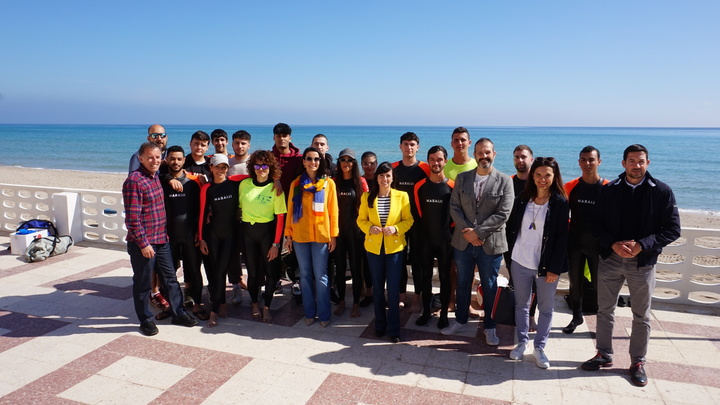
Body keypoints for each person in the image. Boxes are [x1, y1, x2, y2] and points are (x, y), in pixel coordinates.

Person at [582, 144, 681, 387]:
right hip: (611, 260)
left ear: (648, 163)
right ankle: (603, 354)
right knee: (604, 310)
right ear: (623, 163)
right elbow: (595, 224)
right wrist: (613, 244)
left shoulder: (661, 192)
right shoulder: (609, 190)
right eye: (632, 161)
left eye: (641, 161)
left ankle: (637, 362)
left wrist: (642, 245)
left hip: (643, 263)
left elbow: (672, 229)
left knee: (642, 315)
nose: (636, 165)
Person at [123, 142, 198, 336]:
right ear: (140, 159)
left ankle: (178, 313)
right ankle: (145, 320)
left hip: (162, 239)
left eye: (157, 157)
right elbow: (132, 218)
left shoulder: (156, 176)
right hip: (144, 243)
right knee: (143, 283)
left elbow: (173, 171)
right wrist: (143, 243)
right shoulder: (134, 181)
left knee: (171, 279)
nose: (154, 160)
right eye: (150, 157)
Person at [444, 138, 513, 347]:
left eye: (488, 153)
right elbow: (454, 207)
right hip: (463, 242)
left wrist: (478, 233)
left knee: (490, 286)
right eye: (480, 153)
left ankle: (490, 327)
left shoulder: (504, 181)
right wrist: (468, 232)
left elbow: (503, 214)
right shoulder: (463, 179)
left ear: (494, 154)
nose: (484, 156)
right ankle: (461, 320)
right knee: (463, 283)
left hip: (490, 244)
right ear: (474, 155)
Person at [506, 157, 569, 369]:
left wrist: (555, 268)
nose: (543, 179)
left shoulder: (560, 202)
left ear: (554, 177)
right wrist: (508, 257)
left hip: (546, 265)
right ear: (532, 176)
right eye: (538, 175)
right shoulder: (523, 199)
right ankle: (522, 342)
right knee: (521, 305)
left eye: (547, 175)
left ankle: (540, 347)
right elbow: (512, 229)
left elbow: (562, 238)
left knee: (546, 308)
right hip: (520, 260)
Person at [357, 162, 414, 343]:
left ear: (392, 177)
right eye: (381, 176)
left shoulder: (402, 196)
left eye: (388, 175)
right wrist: (370, 228)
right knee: (378, 289)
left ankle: (394, 329)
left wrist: (396, 228)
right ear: (377, 177)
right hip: (374, 248)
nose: (385, 179)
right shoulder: (367, 197)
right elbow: (360, 220)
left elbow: (408, 220)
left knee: (394, 290)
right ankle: (380, 325)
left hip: (395, 249)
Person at [284, 147, 339, 327]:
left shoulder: (328, 184)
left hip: (321, 236)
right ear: (304, 161)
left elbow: (333, 211)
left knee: (321, 275)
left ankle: (323, 315)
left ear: (320, 162)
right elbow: (290, 211)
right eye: (309, 158)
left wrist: (333, 235)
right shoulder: (295, 184)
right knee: (305, 275)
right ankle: (309, 312)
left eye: (316, 159)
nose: (313, 162)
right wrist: (288, 235)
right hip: (300, 235)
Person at [563, 146, 608, 334]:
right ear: (579, 162)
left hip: (599, 246)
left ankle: (602, 322)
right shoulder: (571, 186)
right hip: (576, 243)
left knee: (601, 286)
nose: (587, 163)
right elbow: (562, 215)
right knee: (575, 282)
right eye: (583, 160)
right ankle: (576, 317)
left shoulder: (608, 188)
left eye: (591, 159)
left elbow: (614, 218)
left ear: (599, 162)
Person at [198, 154, 246, 327]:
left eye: (224, 167)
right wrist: (202, 238)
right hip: (213, 236)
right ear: (211, 167)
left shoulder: (234, 183)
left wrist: (276, 180)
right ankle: (221, 304)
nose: (221, 170)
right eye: (217, 167)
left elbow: (256, 176)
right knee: (215, 273)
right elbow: (202, 214)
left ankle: (214, 311)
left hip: (230, 236)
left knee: (220, 272)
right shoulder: (207, 189)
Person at [239, 150, 286, 322]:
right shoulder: (244, 185)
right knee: (252, 272)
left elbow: (280, 218)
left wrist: (276, 244)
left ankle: (266, 306)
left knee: (271, 273)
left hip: (267, 234)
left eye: (264, 165)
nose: (261, 169)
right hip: (248, 233)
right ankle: (253, 303)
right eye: (257, 165)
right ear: (252, 167)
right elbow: (229, 181)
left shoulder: (276, 188)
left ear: (270, 167)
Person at [128, 124, 171, 310]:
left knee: (168, 275)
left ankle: (170, 301)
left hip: (162, 230)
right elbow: (133, 212)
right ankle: (152, 299)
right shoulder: (137, 176)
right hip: (146, 232)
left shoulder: (166, 157)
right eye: (155, 135)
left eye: (162, 135)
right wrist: (143, 242)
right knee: (144, 277)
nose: (159, 138)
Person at [161, 146, 206, 320]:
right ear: (167, 160)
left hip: (189, 235)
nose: (176, 162)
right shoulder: (161, 182)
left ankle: (197, 305)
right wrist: (166, 178)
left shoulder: (193, 184)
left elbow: (200, 210)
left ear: (184, 161)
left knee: (194, 271)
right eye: (172, 158)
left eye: (179, 159)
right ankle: (169, 306)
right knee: (168, 273)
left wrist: (198, 233)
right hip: (167, 236)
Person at [413, 146, 454, 328]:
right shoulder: (419, 186)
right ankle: (427, 312)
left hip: (446, 240)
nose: (436, 163)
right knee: (425, 277)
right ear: (428, 161)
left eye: (439, 159)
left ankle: (444, 314)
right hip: (426, 240)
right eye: (432, 159)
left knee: (445, 277)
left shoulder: (452, 186)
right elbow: (418, 213)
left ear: (445, 161)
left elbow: (455, 216)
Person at [392, 132, 430, 313]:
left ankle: (417, 295)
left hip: (419, 223)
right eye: (406, 144)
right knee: (398, 259)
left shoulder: (425, 168)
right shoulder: (393, 169)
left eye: (412, 144)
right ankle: (401, 294)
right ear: (400, 146)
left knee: (417, 262)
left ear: (418, 147)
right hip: (398, 222)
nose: (409, 147)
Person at [332, 148, 369, 317]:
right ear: (338, 163)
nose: (346, 163)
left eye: (349, 160)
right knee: (340, 269)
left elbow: (367, 208)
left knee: (355, 268)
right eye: (342, 160)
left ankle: (355, 303)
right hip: (338, 232)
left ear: (354, 163)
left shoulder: (360, 182)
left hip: (356, 233)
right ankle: (341, 302)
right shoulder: (333, 182)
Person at [508, 144, 539, 331]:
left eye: (523, 157)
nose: (520, 160)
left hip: (533, 240)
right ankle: (516, 311)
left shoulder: (537, 182)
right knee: (514, 279)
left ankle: (531, 314)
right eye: (517, 157)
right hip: (511, 238)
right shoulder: (508, 182)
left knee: (533, 281)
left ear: (531, 160)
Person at [359, 151, 378, 307]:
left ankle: (379, 292)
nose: (369, 166)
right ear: (361, 165)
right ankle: (368, 292)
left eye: (372, 163)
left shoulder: (381, 181)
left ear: (376, 164)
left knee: (378, 263)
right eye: (366, 163)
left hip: (379, 229)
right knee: (365, 262)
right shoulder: (358, 181)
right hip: (362, 227)